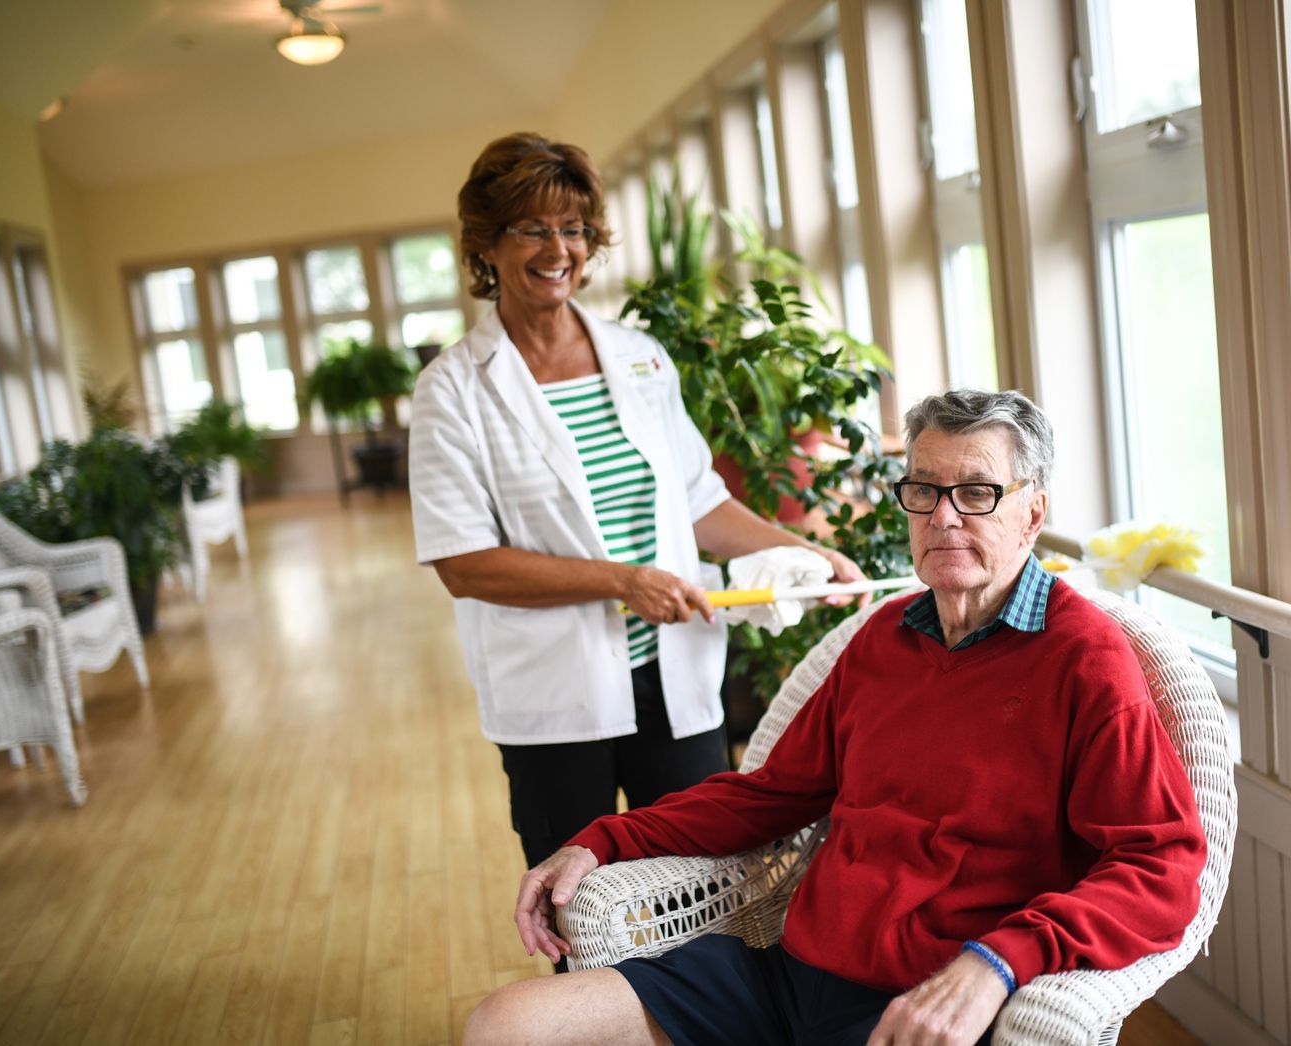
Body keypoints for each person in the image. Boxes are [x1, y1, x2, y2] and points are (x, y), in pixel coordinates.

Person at [463, 389, 1209, 1046]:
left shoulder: (1083, 658)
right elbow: (767, 794)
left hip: (923, 1004)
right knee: (504, 1027)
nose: (944, 517)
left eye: (976, 492)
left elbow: (1160, 867)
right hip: (783, 978)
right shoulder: (884, 638)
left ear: (1031, 511)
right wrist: (602, 840)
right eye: (923, 490)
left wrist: (998, 961)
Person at [408, 131, 863, 878]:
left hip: (674, 674)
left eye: (574, 228)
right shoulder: (453, 390)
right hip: (557, 697)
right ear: (485, 246)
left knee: (703, 890)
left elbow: (696, 500)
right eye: (533, 228)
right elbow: (463, 563)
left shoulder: (640, 356)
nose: (558, 248)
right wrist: (624, 581)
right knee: (576, 904)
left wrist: (800, 553)